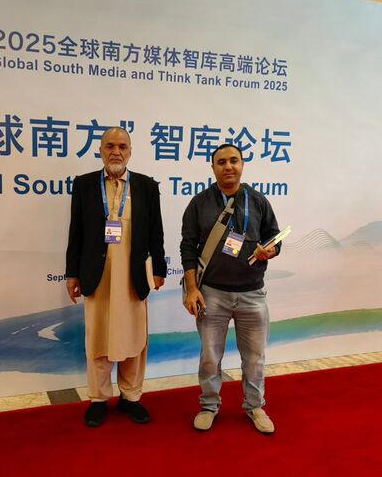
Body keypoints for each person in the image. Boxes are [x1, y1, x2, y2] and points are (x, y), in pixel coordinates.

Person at [65, 127, 166, 427]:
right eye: (110, 146)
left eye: (122, 146)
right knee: (98, 337)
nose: (116, 152)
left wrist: (159, 269)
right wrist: (72, 273)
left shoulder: (147, 186)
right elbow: (76, 231)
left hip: (133, 275)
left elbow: (156, 231)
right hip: (97, 275)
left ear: (130, 151)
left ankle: (130, 397)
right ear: (100, 150)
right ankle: (98, 399)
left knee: (134, 337)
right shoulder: (84, 185)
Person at [180, 143, 281, 434]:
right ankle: (209, 405)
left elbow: (274, 237)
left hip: (253, 293)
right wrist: (191, 289)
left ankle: (255, 406)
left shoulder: (258, 201)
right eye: (221, 162)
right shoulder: (200, 203)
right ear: (213, 168)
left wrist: (271, 251)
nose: (228, 166)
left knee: (255, 357)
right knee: (210, 356)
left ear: (242, 165)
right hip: (212, 293)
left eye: (233, 160)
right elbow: (188, 247)